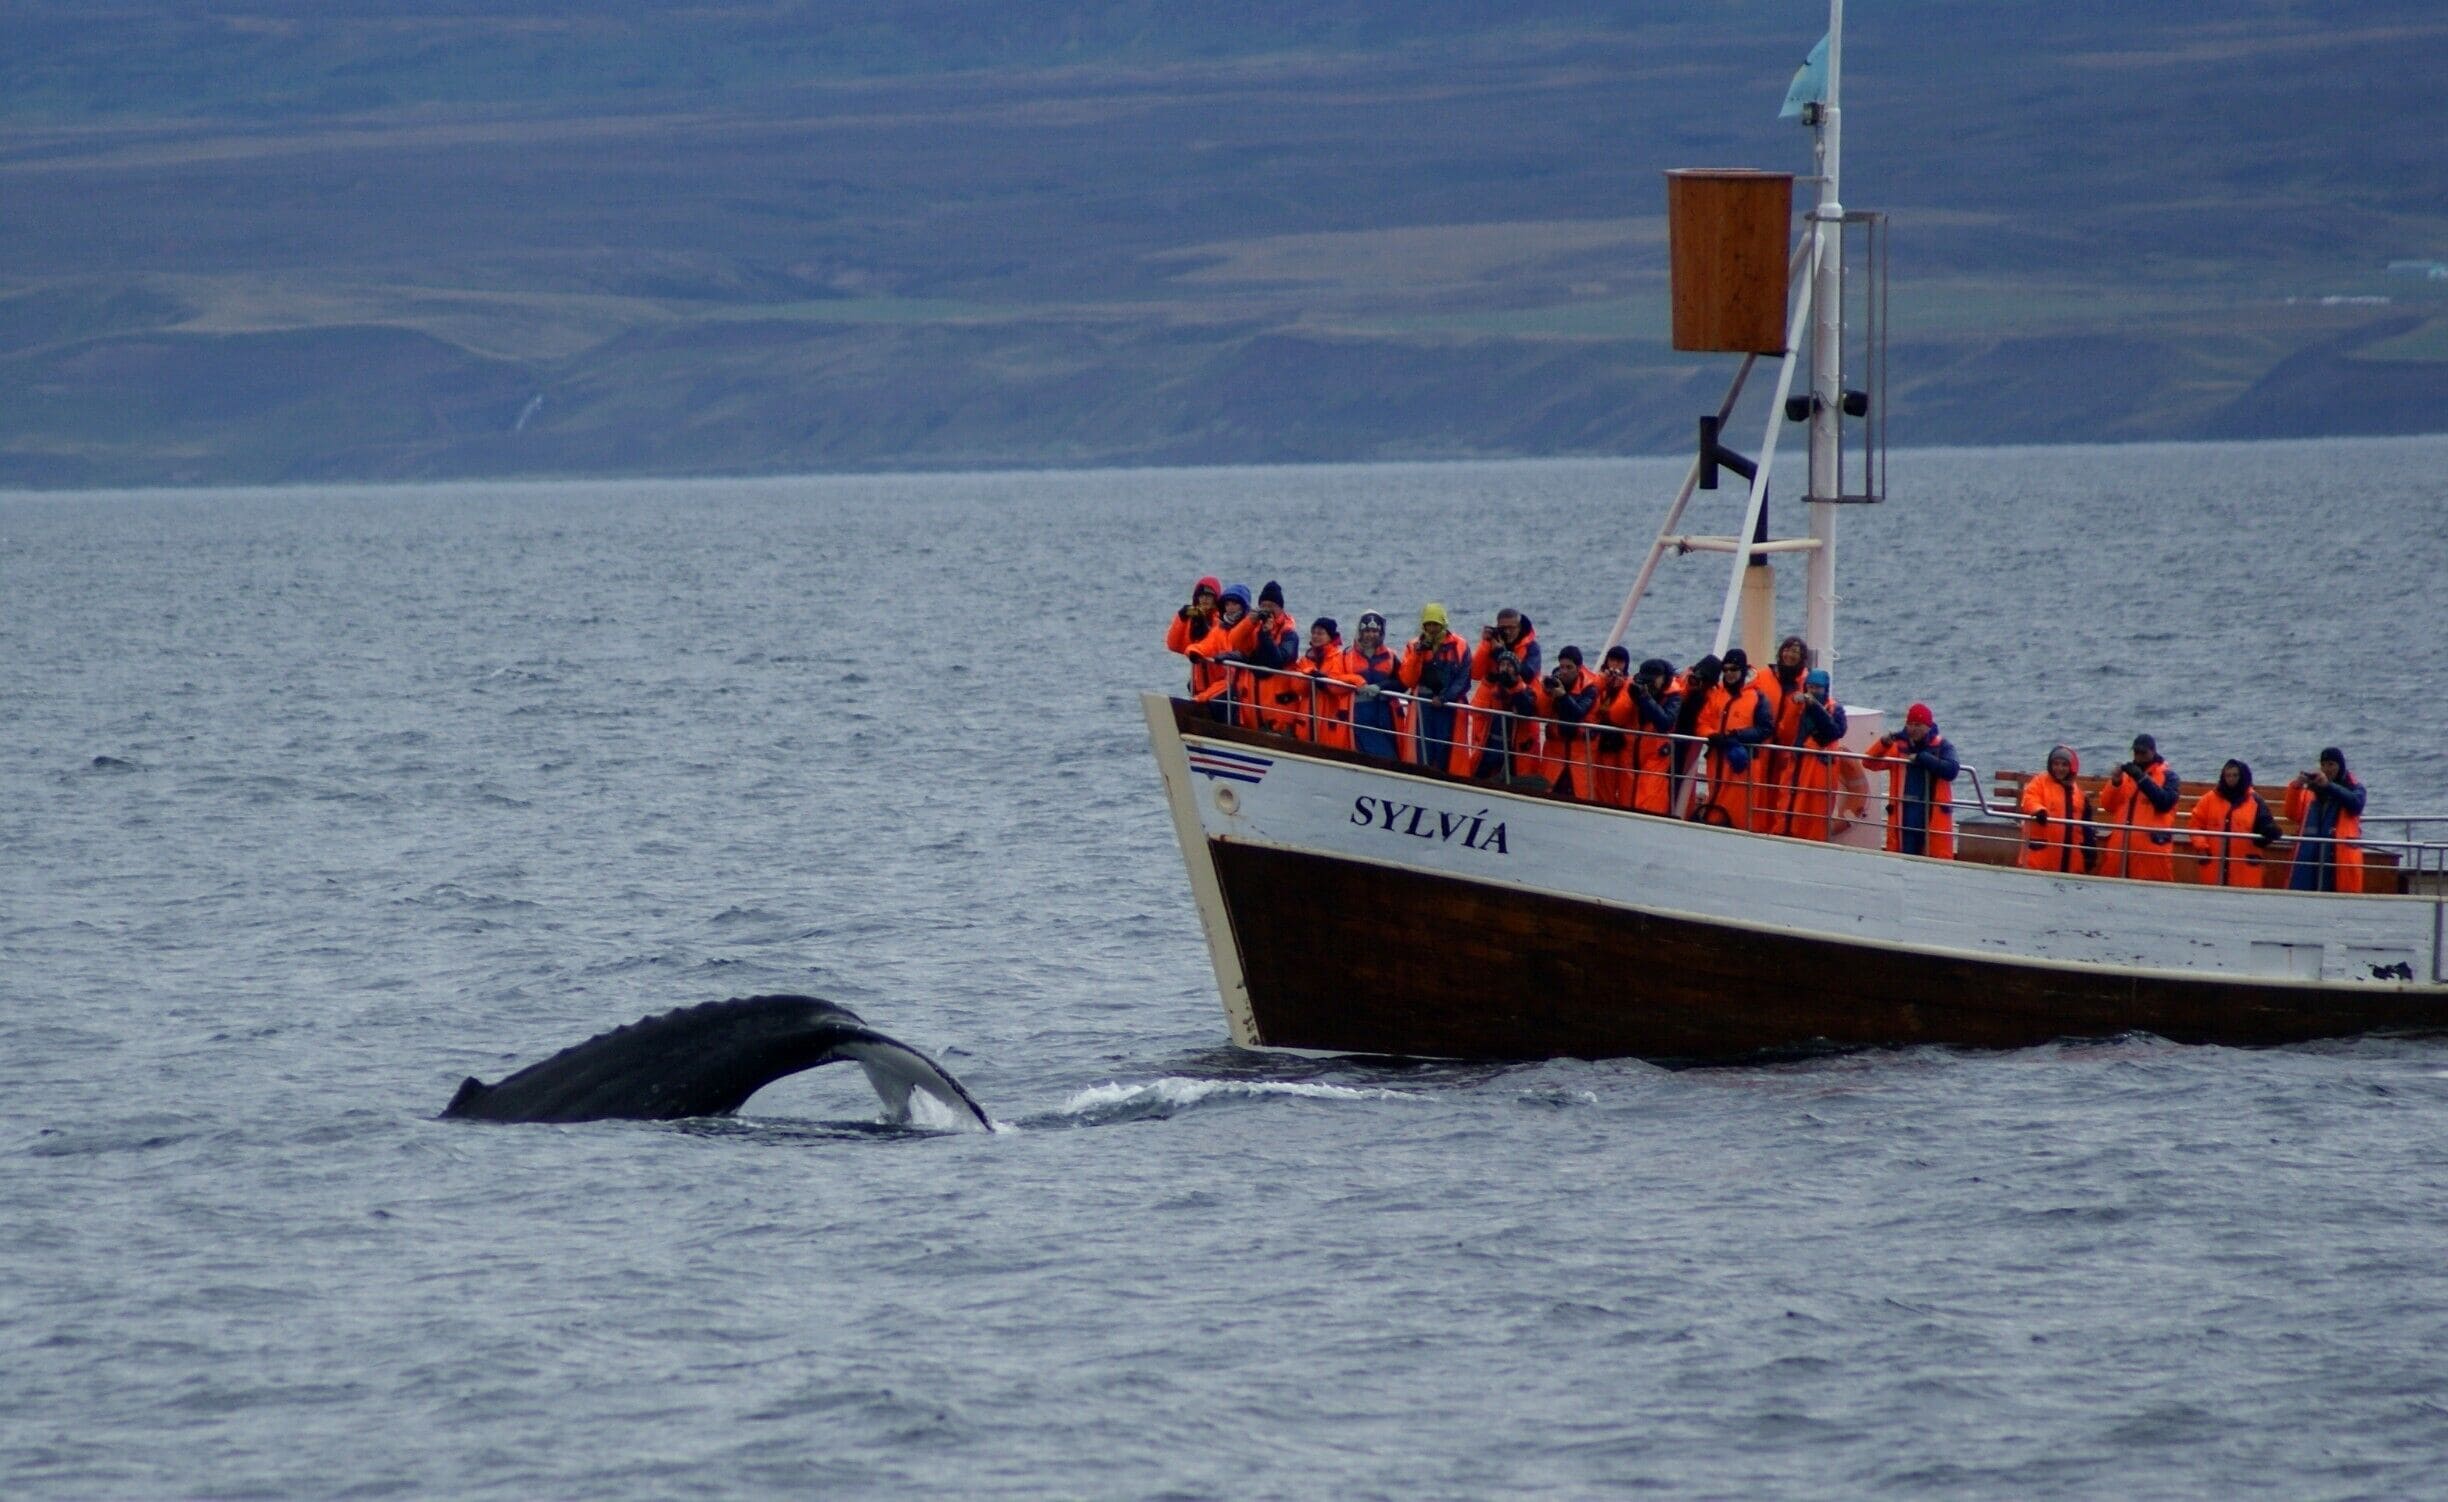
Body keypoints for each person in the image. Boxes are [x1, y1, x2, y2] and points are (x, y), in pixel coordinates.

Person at [1866, 702, 1960, 858]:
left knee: (1932, 860)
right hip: (1905, 817)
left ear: (1928, 726)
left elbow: (1951, 770)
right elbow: (1869, 763)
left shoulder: (1943, 746)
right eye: (1910, 724)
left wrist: (1923, 758)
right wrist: (1882, 744)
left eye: (1918, 724)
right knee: (1903, 857)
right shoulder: (1899, 746)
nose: (1913, 728)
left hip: (1931, 817)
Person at [1691, 647, 1772, 829]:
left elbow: (1765, 729)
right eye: (1725, 670)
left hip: (1743, 764)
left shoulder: (1758, 697)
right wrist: (1712, 736)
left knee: (1741, 812)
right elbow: (1702, 722)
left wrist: (1737, 737)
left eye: (1733, 669)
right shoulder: (1716, 696)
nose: (1729, 674)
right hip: (1717, 760)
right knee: (1716, 803)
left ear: (1742, 670)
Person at [1780, 668, 1852, 841]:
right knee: (1788, 805)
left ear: (1825, 689)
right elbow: (1785, 729)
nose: (1813, 691)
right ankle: (1784, 835)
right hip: (1797, 765)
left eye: (1817, 688)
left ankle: (1814, 843)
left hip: (1820, 770)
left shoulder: (1835, 710)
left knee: (1816, 812)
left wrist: (1814, 707)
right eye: (1810, 687)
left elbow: (1835, 732)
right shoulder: (1798, 706)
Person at [2187, 759, 2283, 888]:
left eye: (2235, 775)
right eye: (2228, 775)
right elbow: (2195, 825)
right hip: (2214, 868)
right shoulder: (2208, 799)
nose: (2231, 779)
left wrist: (2271, 831)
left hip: (2244, 872)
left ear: (2242, 776)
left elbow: (2266, 826)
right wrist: (2202, 847)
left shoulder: (2256, 801)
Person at [1400, 603, 1473, 772]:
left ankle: (1445, 776)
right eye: (1428, 625)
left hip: (1448, 706)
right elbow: (1408, 680)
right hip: (1422, 705)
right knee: (1421, 748)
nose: (1432, 629)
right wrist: (1417, 655)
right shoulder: (1414, 646)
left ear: (1443, 624)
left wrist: (1445, 697)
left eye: (1435, 625)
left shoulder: (1460, 645)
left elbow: (1463, 679)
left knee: (1446, 749)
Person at [2099, 733, 2181, 881]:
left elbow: (2165, 803)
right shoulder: (2125, 776)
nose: (2139, 756)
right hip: (2120, 851)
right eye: (2136, 752)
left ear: (2153, 751)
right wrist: (2115, 783)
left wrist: (2141, 779)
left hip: (2151, 855)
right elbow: (2107, 806)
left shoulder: (2169, 776)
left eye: (2143, 752)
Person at [2286, 747, 2368, 893]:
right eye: (2323, 764)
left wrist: (2329, 786)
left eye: (2331, 764)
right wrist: (2296, 787)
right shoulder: (2311, 791)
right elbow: (2292, 814)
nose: (2326, 769)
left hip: (2339, 859)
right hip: (2311, 857)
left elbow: (2356, 805)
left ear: (2340, 766)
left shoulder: (2355, 788)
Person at [1232, 579, 1303, 734]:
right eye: (1263, 606)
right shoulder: (1253, 628)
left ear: (1281, 609)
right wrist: (1249, 621)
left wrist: (1266, 634)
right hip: (1252, 714)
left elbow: (1277, 660)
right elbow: (1235, 642)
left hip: (1279, 719)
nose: (1267, 610)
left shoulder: (1289, 635)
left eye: (1271, 606)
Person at [1462, 650, 1542, 783]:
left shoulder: (1526, 690)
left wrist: (1513, 687)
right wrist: (1489, 682)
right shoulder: (1491, 687)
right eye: (1502, 665)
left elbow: (1526, 711)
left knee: (1510, 780)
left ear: (1516, 670)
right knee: (1479, 777)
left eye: (1509, 665)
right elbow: (1476, 708)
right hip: (1491, 742)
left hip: (1512, 746)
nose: (1505, 668)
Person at [1753, 635, 1806, 829]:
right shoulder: (1761, 676)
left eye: (1796, 652)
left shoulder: (1805, 684)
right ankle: (1756, 828)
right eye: (1788, 649)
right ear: (1780, 651)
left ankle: (1776, 831)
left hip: (1787, 749)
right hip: (1762, 744)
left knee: (1781, 794)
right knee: (1757, 790)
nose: (1790, 655)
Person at [2017, 744, 2097, 874]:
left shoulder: (2078, 792)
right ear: (2050, 764)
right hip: (2040, 860)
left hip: (2069, 861)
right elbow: (2029, 798)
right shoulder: (2040, 781)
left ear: (2071, 767)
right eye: (2056, 764)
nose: (2059, 768)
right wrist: (2038, 810)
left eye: (2064, 765)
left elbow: (2085, 827)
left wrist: (2089, 852)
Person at [1343, 612, 1409, 762]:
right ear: (1360, 632)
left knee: (1391, 753)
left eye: (1374, 631)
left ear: (1381, 633)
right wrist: (1357, 681)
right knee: (1370, 753)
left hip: (1386, 712)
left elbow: (1402, 683)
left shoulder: (1390, 656)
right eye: (1366, 631)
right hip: (1360, 712)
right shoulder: (1347, 655)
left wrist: (1380, 686)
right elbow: (1337, 676)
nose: (1370, 635)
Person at [1624, 657, 1686, 816]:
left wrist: (1646, 698)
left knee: (1650, 803)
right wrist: (1631, 696)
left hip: (1657, 758)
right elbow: (1616, 717)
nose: (1651, 684)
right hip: (1633, 757)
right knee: (1626, 803)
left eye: (1654, 680)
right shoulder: (1636, 690)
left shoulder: (1674, 697)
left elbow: (1665, 723)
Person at [1535, 647, 1600, 800]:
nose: (1564, 671)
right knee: (1547, 795)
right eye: (1562, 667)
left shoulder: (1590, 690)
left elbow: (1577, 714)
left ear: (1578, 668)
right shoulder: (1554, 684)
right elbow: (1540, 712)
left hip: (1580, 758)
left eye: (1569, 667)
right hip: (1555, 755)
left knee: (1581, 798)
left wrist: (1563, 697)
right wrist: (1545, 692)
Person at [1185, 582, 1251, 720]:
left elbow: (1249, 652)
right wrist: (1194, 651)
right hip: (1226, 681)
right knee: (1206, 697)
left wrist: (1231, 656)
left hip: (1242, 684)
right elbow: (1206, 644)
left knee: (1214, 696)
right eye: (1227, 604)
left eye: (1234, 604)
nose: (1230, 608)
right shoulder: (1220, 629)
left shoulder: (1251, 628)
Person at [1293, 617, 1362, 750]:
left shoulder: (1340, 658)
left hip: (1329, 718)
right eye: (1314, 632)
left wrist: (1320, 678)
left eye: (1320, 633)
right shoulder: (1304, 660)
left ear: (1330, 637)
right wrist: (1309, 675)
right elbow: (1297, 688)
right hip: (1307, 720)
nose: (1315, 636)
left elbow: (1340, 685)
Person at [1165, 575, 1228, 705]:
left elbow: (1216, 647)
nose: (1204, 599)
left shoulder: (1221, 622)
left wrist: (1205, 628)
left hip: (1218, 684)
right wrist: (1181, 618)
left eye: (1209, 596)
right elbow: (1174, 645)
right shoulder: (1193, 620)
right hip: (1198, 685)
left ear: (1215, 599)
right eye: (1201, 595)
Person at [1587, 646, 1638, 808]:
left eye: (1620, 661)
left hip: (1623, 743)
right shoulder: (1598, 681)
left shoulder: (1630, 685)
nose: (1615, 665)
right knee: (1602, 783)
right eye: (1612, 660)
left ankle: (1625, 811)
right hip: (1602, 741)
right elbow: (1589, 703)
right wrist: (1604, 682)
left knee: (1626, 785)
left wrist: (1620, 687)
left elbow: (1618, 715)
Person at [1472, 608, 1542, 683]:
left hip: (1524, 690)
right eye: (1503, 628)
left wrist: (1500, 654)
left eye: (1512, 628)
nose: (1508, 632)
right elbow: (1475, 674)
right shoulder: (1492, 642)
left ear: (1519, 628)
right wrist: (1485, 643)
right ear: (1498, 626)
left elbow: (1527, 675)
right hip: (1495, 689)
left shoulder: (1531, 647)